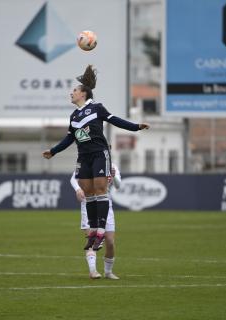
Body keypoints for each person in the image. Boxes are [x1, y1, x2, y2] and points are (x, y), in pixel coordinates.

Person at [43, 65, 149, 251]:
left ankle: (101, 231)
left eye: (74, 90)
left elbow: (115, 120)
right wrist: (53, 151)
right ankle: (93, 231)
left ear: (83, 94)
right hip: (83, 157)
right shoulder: (74, 115)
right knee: (89, 194)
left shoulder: (97, 108)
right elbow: (70, 137)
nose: (71, 93)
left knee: (101, 190)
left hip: (100, 154)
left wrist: (136, 126)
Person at [71, 163, 121, 279]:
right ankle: (93, 271)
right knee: (92, 239)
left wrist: (114, 177)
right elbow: (73, 178)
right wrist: (78, 189)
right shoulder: (87, 162)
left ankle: (108, 272)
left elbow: (118, 186)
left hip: (106, 206)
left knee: (110, 241)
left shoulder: (112, 166)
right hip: (88, 204)